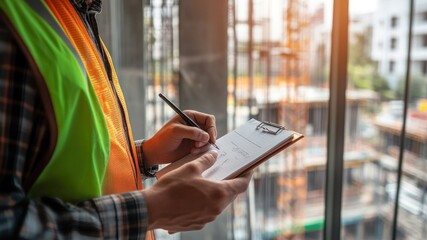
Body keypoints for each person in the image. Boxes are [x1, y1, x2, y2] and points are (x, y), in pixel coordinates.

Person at [0, 0, 252, 239]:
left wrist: (144, 155)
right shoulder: (13, 26)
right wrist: (150, 210)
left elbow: (70, 162)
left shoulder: (77, 17)